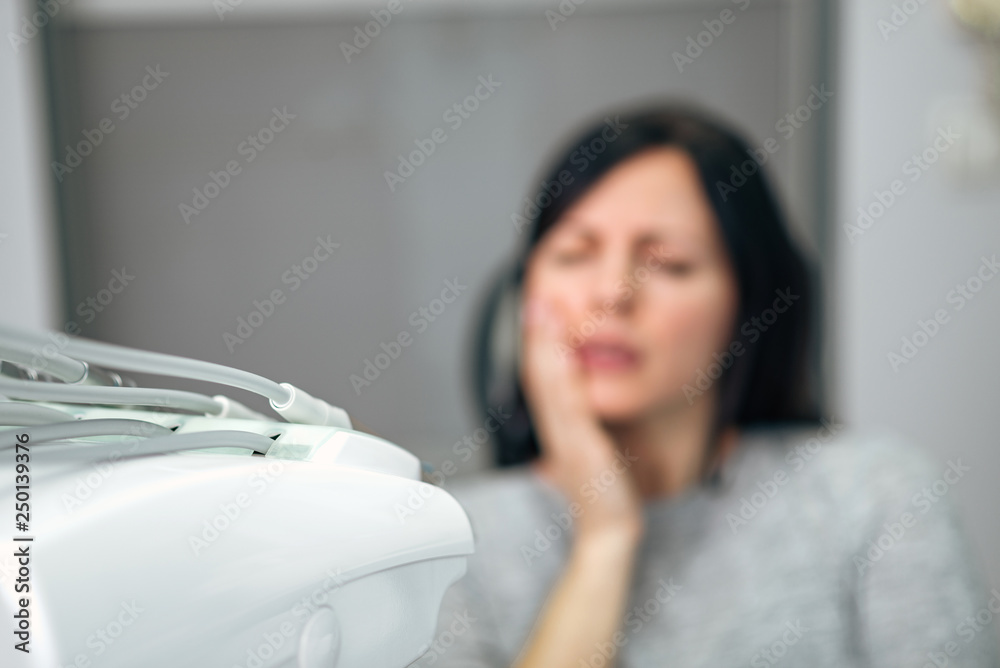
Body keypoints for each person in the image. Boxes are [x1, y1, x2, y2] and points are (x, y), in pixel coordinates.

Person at [409, 103, 999, 667]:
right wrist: (606, 536)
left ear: (748, 304)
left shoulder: (872, 498)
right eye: (573, 253)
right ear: (526, 295)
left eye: (668, 263)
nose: (612, 292)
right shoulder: (449, 544)